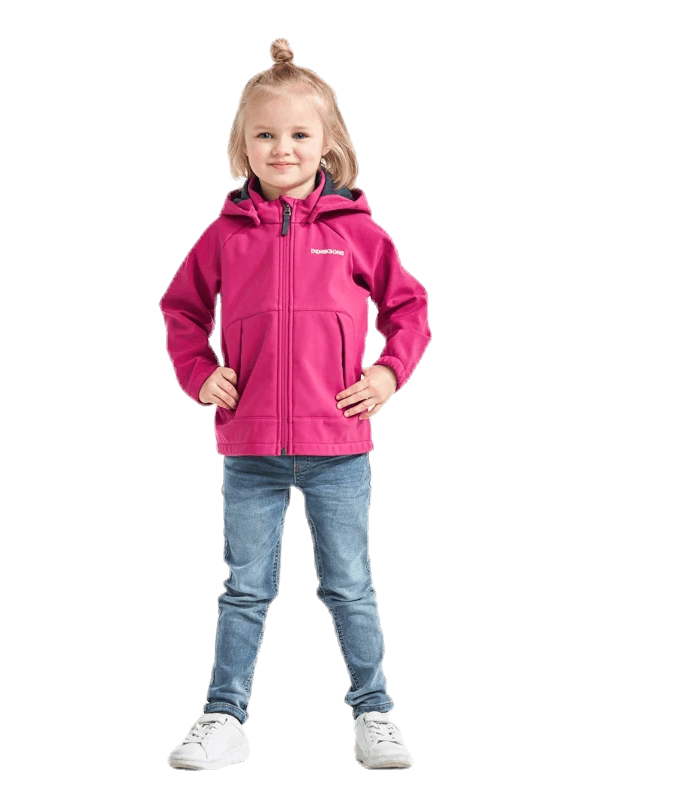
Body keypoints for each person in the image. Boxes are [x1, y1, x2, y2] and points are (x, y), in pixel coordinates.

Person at [159, 37, 432, 770]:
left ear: (328, 145)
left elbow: (409, 308)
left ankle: (375, 714)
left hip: (337, 445)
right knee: (245, 590)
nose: (283, 149)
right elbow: (181, 310)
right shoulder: (224, 236)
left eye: (300, 135)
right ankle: (224, 716)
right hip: (249, 448)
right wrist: (198, 370)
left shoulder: (356, 230)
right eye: (266, 135)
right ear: (242, 147)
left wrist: (388, 374)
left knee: (350, 585)